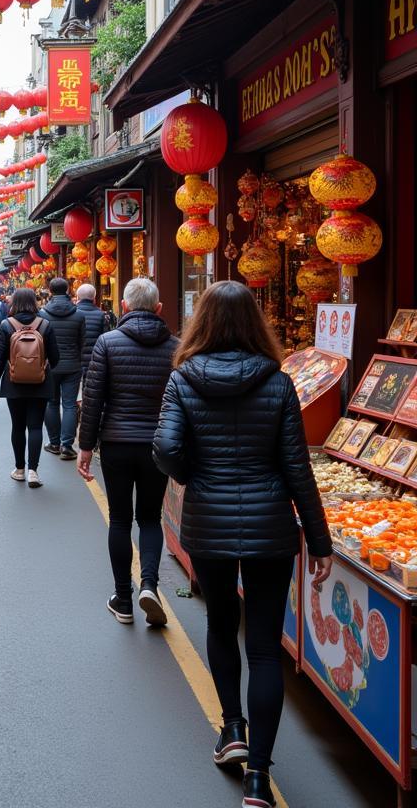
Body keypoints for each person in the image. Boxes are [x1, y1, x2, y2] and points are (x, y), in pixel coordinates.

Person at [153, 281, 332, 808]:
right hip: (271, 525)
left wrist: (195, 476)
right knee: (264, 648)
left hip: (208, 521)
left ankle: (232, 728)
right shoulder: (278, 383)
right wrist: (319, 540)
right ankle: (259, 777)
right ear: (256, 323)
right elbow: (297, 468)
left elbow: (164, 448)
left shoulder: (183, 379)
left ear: (200, 322)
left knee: (219, 624)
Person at [77, 277, 178, 628]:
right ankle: (149, 585)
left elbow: (94, 399)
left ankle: (123, 598)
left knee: (120, 519)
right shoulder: (175, 348)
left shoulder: (107, 343)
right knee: (150, 518)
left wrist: (85, 446)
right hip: (158, 445)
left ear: (123, 307)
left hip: (117, 443)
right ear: (159, 309)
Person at [0, 287, 60, 488]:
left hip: (13, 383)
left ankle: (19, 469)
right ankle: (33, 472)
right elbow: (55, 358)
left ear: (14, 303)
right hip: (41, 383)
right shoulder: (45, 325)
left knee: (18, 426)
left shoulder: (6, 325)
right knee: (36, 426)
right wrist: (43, 367)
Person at [40, 277, 85, 460]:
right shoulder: (78, 314)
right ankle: (67, 445)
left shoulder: (42, 314)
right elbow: (82, 342)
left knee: (51, 403)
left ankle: (54, 442)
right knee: (69, 404)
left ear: (50, 291)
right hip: (72, 365)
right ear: (67, 290)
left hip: (50, 365)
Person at [74, 283, 111, 384]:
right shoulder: (101, 315)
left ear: (78, 297)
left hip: (75, 359)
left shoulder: (73, 313)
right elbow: (106, 338)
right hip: (94, 359)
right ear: (94, 298)